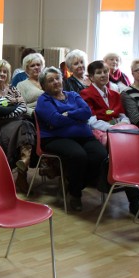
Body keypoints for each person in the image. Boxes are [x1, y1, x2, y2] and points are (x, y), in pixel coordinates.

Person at [35, 67, 108, 212]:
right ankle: (75, 194)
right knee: (78, 156)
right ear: (43, 86)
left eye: (57, 78)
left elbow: (87, 112)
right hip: (55, 138)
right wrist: (76, 117)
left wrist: (67, 114)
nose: (56, 82)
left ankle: (74, 184)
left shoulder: (73, 95)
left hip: (83, 136)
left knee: (101, 156)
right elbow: (55, 120)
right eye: (51, 80)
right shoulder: (44, 100)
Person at [0, 60, 36, 191]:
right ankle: (22, 172)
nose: (2, 74)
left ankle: (23, 164)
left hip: (18, 124)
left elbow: (23, 108)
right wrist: (15, 106)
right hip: (1, 128)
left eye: (5, 72)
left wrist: (12, 108)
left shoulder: (13, 89)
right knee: (25, 125)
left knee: (25, 125)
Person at [80, 60, 131, 141]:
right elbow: (92, 122)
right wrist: (114, 127)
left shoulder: (115, 94)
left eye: (105, 71)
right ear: (91, 77)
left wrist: (124, 123)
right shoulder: (86, 94)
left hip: (120, 129)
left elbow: (123, 116)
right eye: (99, 72)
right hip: (101, 132)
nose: (103, 75)